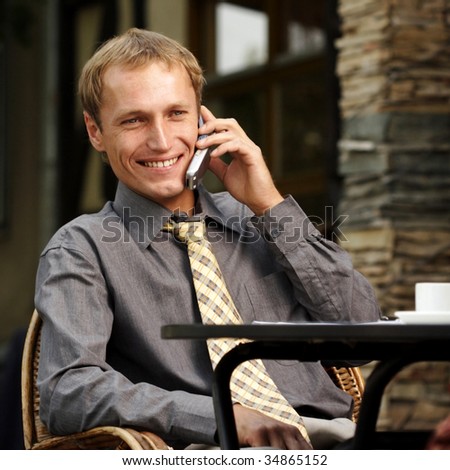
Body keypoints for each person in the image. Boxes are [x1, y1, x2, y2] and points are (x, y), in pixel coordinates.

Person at [35, 28, 382, 450]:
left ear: (203, 120)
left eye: (176, 114)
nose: (161, 141)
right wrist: (219, 417)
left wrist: (269, 204)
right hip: (207, 449)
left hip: (336, 442)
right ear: (95, 132)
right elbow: (68, 390)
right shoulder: (81, 249)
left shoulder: (261, 219)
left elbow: (362, 340)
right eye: (134, 119)